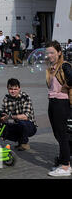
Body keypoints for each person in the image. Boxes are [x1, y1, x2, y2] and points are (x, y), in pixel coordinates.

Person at [44, 40, 72, 177]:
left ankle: (66, 166)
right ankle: (64, 159)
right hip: (52, 103)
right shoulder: (52, 68)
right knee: (57, 134)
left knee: (62, 135)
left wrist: (66, 86)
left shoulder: (64, 66)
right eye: (47, 53)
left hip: (62, 103)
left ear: (59, 52)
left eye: (52, 52)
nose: (49, 55)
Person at [0, 78, 37, 151]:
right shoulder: (6, 98)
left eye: (15, 89)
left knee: (21, 122)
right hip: (16, 124)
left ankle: (24, 143)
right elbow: (5, 113)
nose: (13, 91)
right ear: (7, 88)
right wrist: (0, 115)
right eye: (11, 89)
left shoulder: (25, 97)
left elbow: (26, 116)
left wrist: (9, 117)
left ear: (19, 88)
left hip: (29, 126)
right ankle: (19, 141)